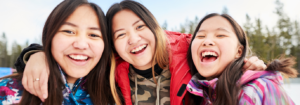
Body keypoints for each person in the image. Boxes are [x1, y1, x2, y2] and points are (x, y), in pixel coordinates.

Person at [15, 0, 267, 105]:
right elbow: (78, 53)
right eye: (120, 34)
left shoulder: (191, 56)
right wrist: (36, 55)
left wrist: (245, 63)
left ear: (155, 28)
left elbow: (218, 46)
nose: (133, 39)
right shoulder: (110, 72)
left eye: (139, 27)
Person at [0, 0, 114, 104]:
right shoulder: (6, 92)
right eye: (69, 31)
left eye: (93, 35)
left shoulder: (116, 95)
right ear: (50, 35)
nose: (81, 45)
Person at [186, 13, 298, 105]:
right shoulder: (196, 94)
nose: (207, 41)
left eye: (220, 35)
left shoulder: (259, 89)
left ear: (239, 51)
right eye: (200, 36)